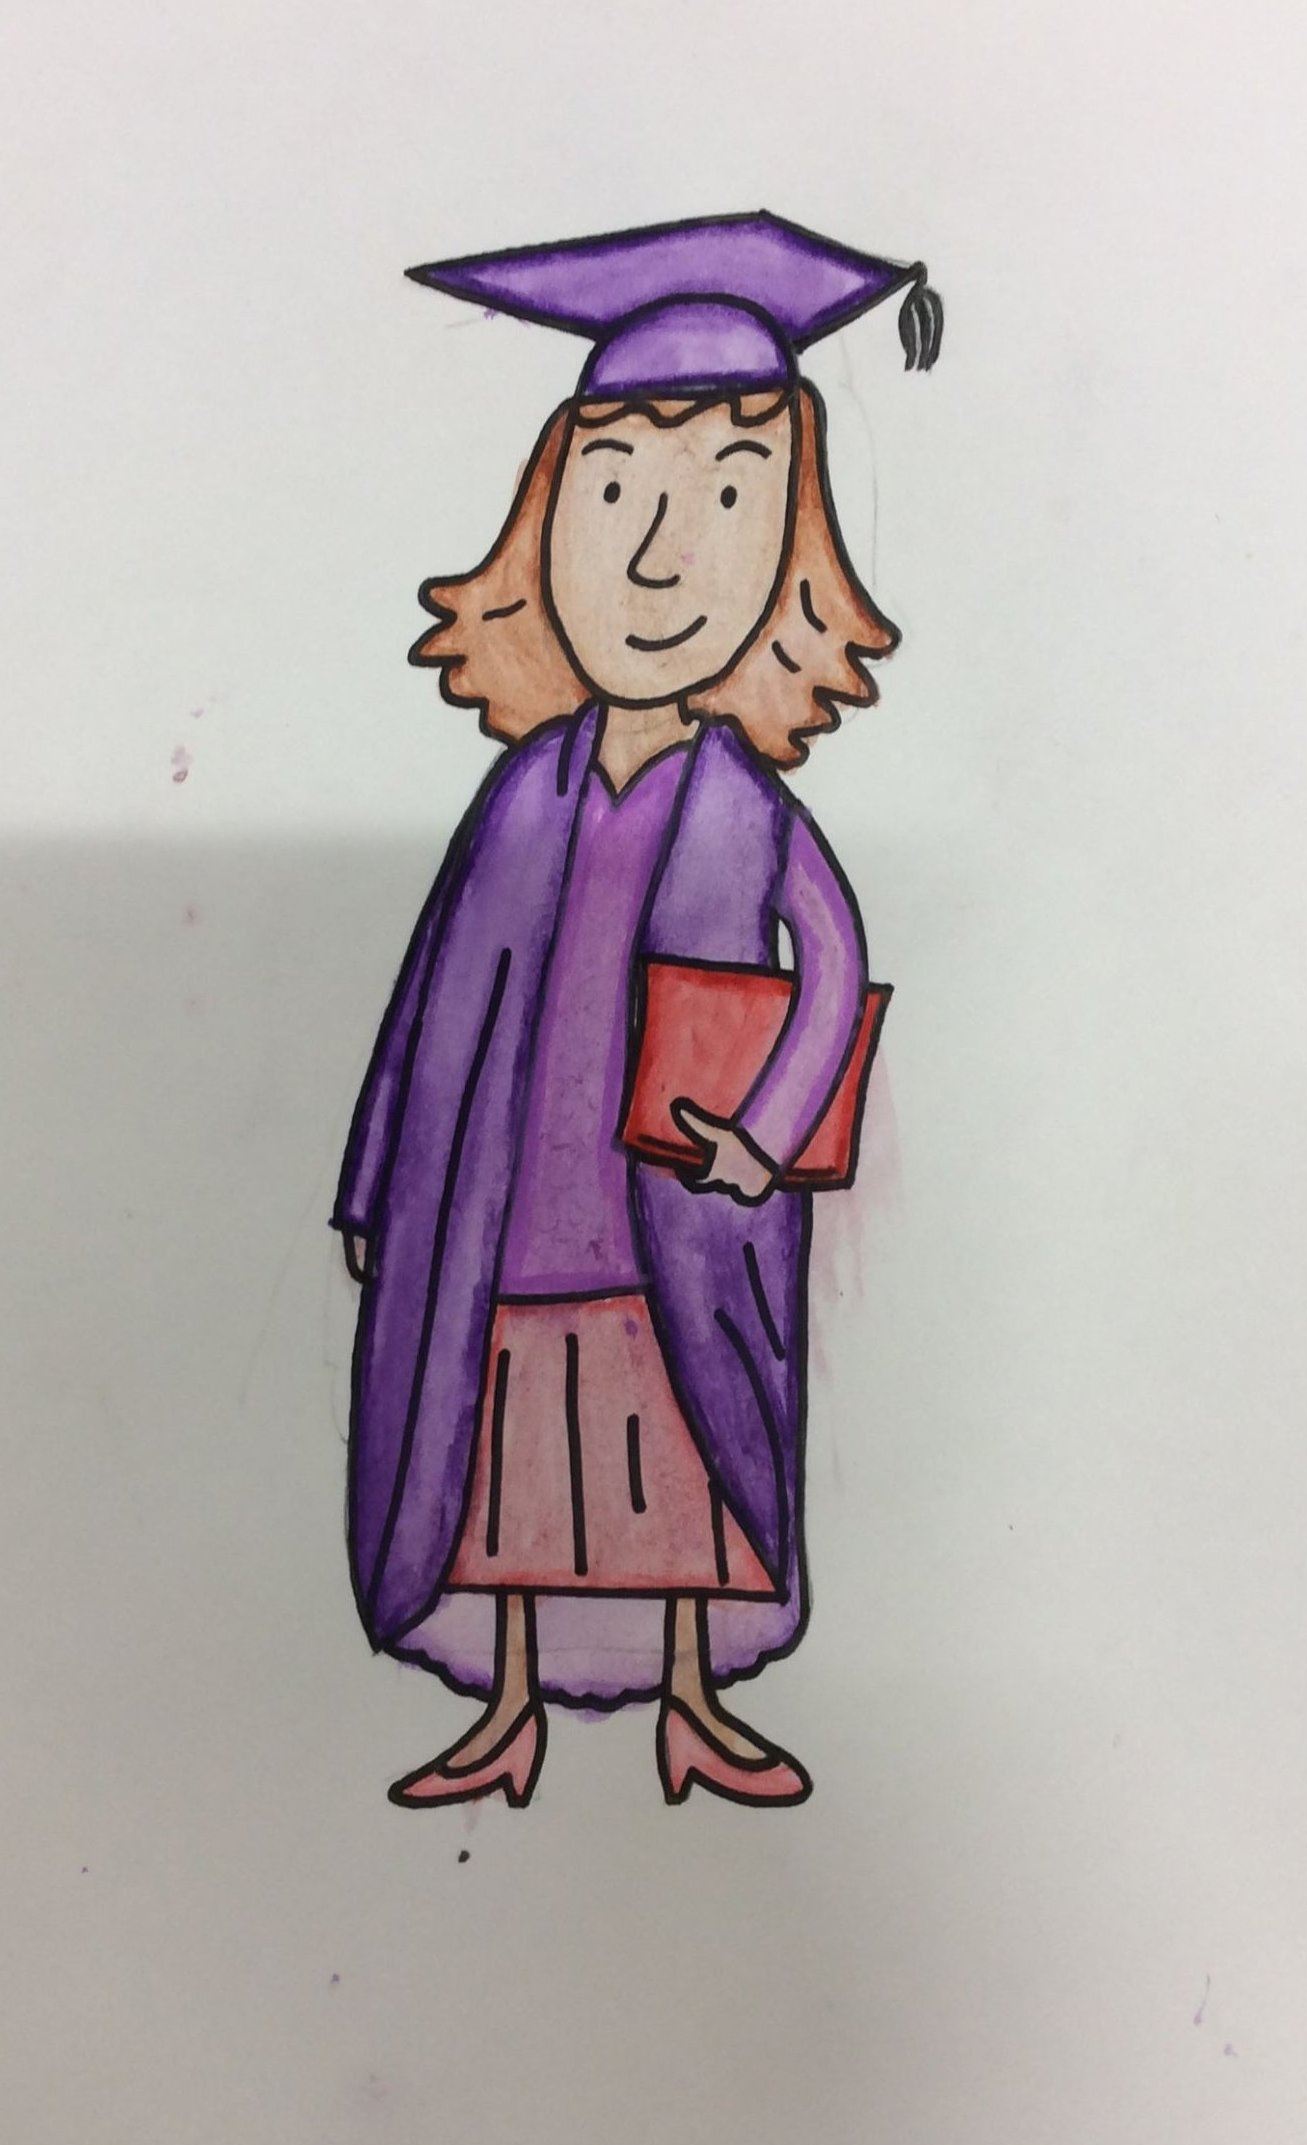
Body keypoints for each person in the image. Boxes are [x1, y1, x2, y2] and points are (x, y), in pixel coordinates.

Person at [332, 213, 941, 1808]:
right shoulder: (519, 793)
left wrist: (763, 1137)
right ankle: (506, 1701)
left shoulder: (747, 806)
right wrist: (373, 1183)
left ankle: (690, 1694)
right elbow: (426, 993)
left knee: (676, 1448)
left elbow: (832, 965)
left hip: (678, 1210)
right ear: (540, 529)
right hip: (503, 1210)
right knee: (507, 1454)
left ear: (792, 555)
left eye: (726, 499)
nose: (660, 557)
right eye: (613, 495)